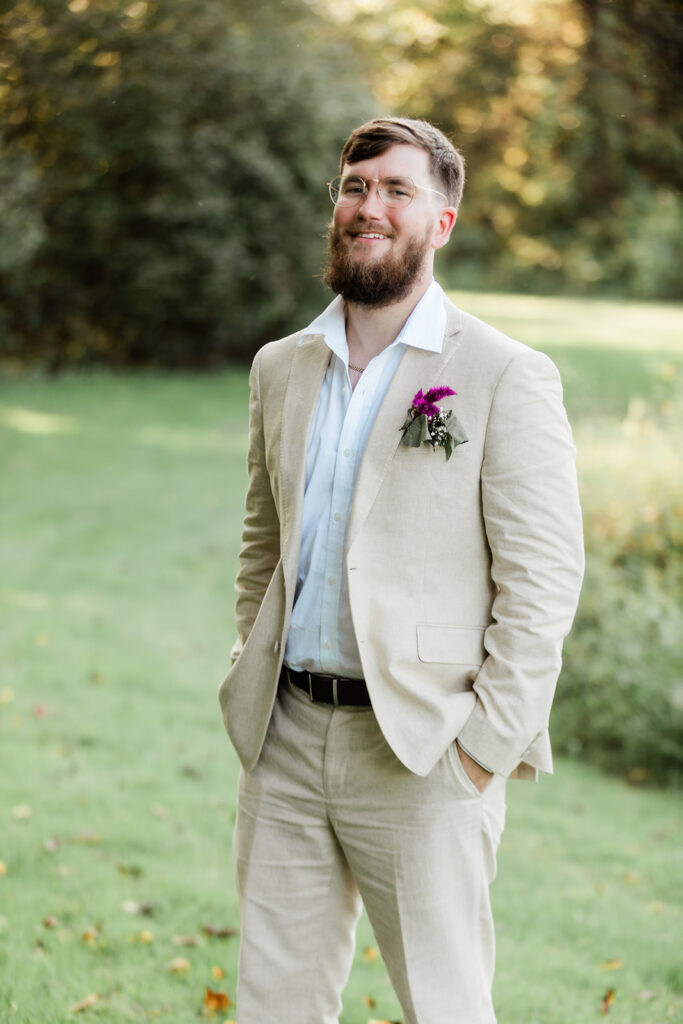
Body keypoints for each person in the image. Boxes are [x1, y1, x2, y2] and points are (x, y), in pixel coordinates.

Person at [218, 117, 584, 1024]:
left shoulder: (502, 375)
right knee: (273, 1008)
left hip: (424, 750)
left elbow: (541, 585)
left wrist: (479, 752)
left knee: (445, 1008)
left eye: (395, 190)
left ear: (442, 221)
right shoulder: (280, 367)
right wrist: (250, 666)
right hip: (286, 739)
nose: (367, 207)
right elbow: (263, 545)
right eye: (354, 186)